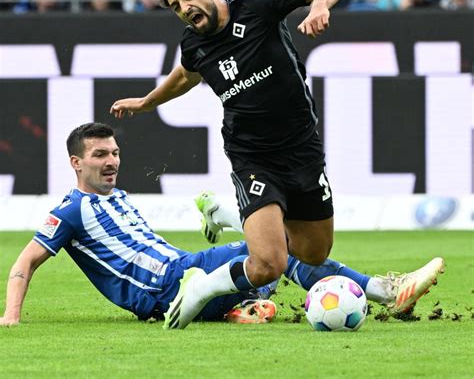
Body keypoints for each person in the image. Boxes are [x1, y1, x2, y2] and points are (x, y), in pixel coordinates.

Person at [109, 0, 444, 329]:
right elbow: (185, 76)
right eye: (175, 6)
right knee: (269, 263)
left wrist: (318, 6)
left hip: (302, 148)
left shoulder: (254, 6)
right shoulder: (193, 43)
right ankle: (202, 287)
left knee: (313, 252)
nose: (184, 8)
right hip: (251, 155)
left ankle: (226, 215)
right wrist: (147, 102)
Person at [0, 122, 444, 327]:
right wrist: (10, 317)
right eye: (101, 155)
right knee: (278, 250)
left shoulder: (120, 198)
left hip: (186, 268)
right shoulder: (71, 211)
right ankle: (385, 291)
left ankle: (241, 302)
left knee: (268, 259)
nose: (112, 161)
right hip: (170, 287)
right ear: (76, 163)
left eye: (114, 152)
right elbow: (25, 262)